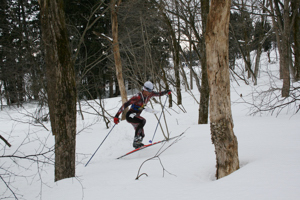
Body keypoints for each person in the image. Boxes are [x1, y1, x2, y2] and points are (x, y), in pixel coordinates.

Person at [114, 81, 171, 149]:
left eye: (151, 90)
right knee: (142, 121)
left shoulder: (150, 94)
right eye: (149, 90)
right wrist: (116, 116)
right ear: (145, 89)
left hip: (136, 116)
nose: (150, 92)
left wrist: (166, 92)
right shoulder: (137, 97)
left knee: (141, 134)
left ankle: (137, 145)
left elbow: (159, 93)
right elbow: (125, 105)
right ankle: (136, 141)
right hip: (130, 115)